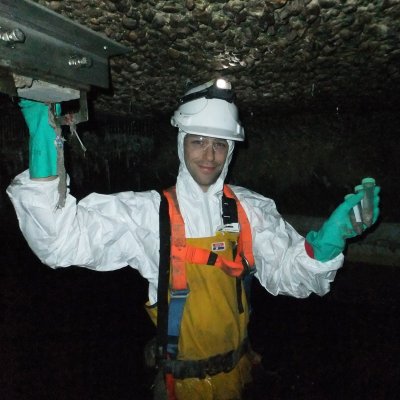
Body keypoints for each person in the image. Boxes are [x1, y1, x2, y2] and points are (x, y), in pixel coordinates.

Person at [7, 78, 380, 400]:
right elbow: (59, 241)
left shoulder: (248, 209)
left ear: (230, 150)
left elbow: (289, 276)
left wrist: (326, 245)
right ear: (182, 142)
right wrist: (45, 138)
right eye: (198, 141)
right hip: (183, 387)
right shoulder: (150, 215)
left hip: (239, 374)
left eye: (220, 144)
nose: (209, 154)